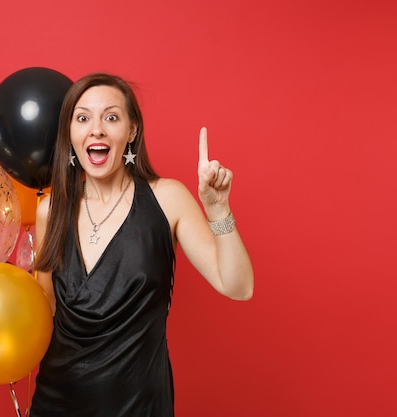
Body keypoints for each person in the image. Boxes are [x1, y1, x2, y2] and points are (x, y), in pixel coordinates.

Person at [29, 72, 254, 417]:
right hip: (56, 402)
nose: (97, 129)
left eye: (112, 117)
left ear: (131, 131)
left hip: (138, 406)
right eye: (83, 118)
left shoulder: (168, 199)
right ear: (70, 134)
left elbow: (238, 286)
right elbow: (43, 313)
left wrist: (218, 209)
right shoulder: (50, 211)